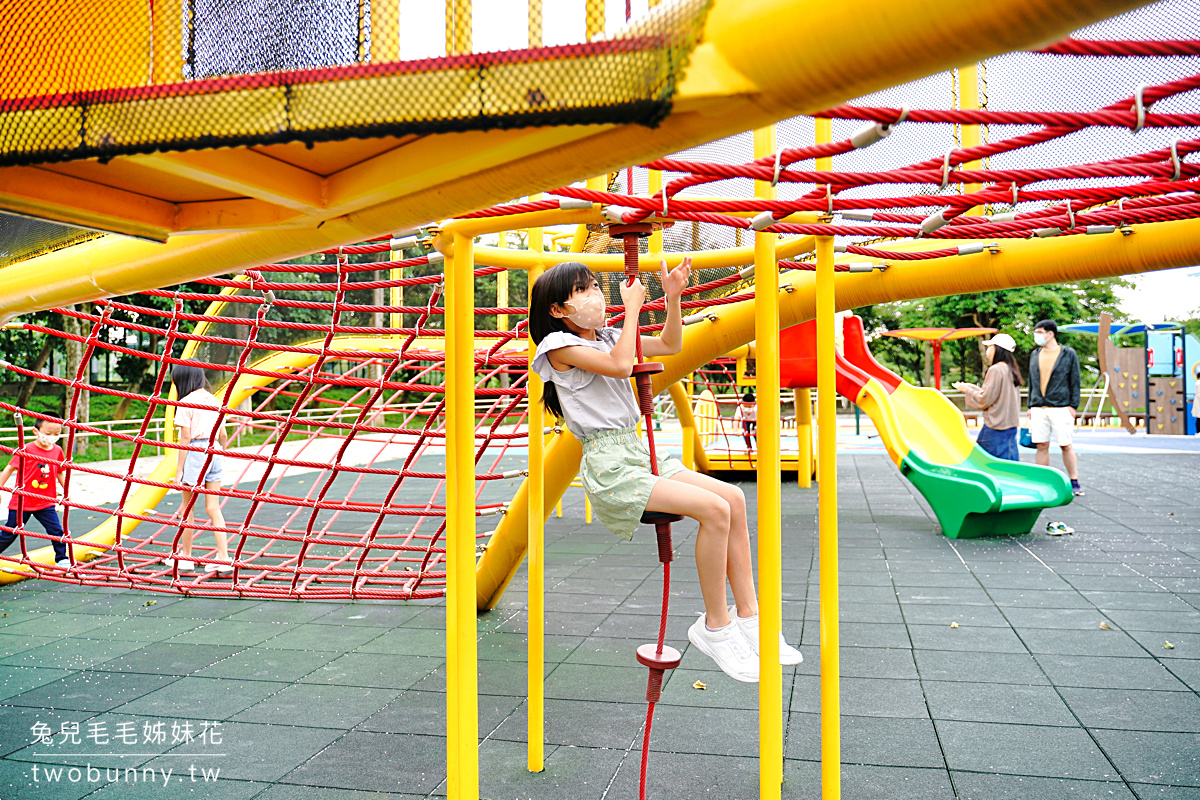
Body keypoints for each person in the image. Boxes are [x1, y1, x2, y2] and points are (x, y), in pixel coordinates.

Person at [531, 260, 802, 683]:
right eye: (583, 291)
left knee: (733, 498)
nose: (596, 296)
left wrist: (672, 296)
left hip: (636, 451)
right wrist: (634, 307)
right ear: (557, 310)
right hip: (610, 467)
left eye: (595, 287)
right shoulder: (558, 348)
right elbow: (622, 366)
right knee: (713, 510)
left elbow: (669, 345)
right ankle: (715, 625)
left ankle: (750, 616)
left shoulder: (605, 336)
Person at [168, 363, 233, 572]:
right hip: (214, 450)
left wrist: (179, 472)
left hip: (196, 452)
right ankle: (223, 557)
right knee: (213, 507)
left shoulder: (186, 403)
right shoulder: (214, 400)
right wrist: (221, 451)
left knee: (188, 509)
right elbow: (223, 434)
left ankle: (186, 557)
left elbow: (185, 438)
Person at [0, 417, 70, 567]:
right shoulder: (26, 449)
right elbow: (9, 468)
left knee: (56, 531)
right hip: (22, 502)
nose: (52, 437)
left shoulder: (57, 450)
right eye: (48, 433)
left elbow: (59, 472)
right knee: (9, 533)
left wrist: (67, 491)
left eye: (56, 433)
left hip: (45, 502)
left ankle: (62, 559)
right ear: (36, 432)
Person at [1027, 319, 1083, 496]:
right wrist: (1031, 404)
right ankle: (1042, 481)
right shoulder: (1035, 354)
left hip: (1061, 407)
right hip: (1038, 407)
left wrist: (1073, 405)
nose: (1036, 335)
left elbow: (1075, 381)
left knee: (1065, 444)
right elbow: (1031, 382)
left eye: (1039, 332)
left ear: (1050, 333)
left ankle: (1074, 481)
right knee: (1041, 445)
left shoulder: (1068, 353)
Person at [953, 333, 1022, 461]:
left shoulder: (995, 370)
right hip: (1009, 425)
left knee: (982, 461)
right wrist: (972, 388)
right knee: (1008, 463)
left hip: (995, 426)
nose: (987, 350)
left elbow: (985, 399)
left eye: (990, 347)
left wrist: (966, 389)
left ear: (998, 349)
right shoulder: (1010, 369)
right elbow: (995, 394)